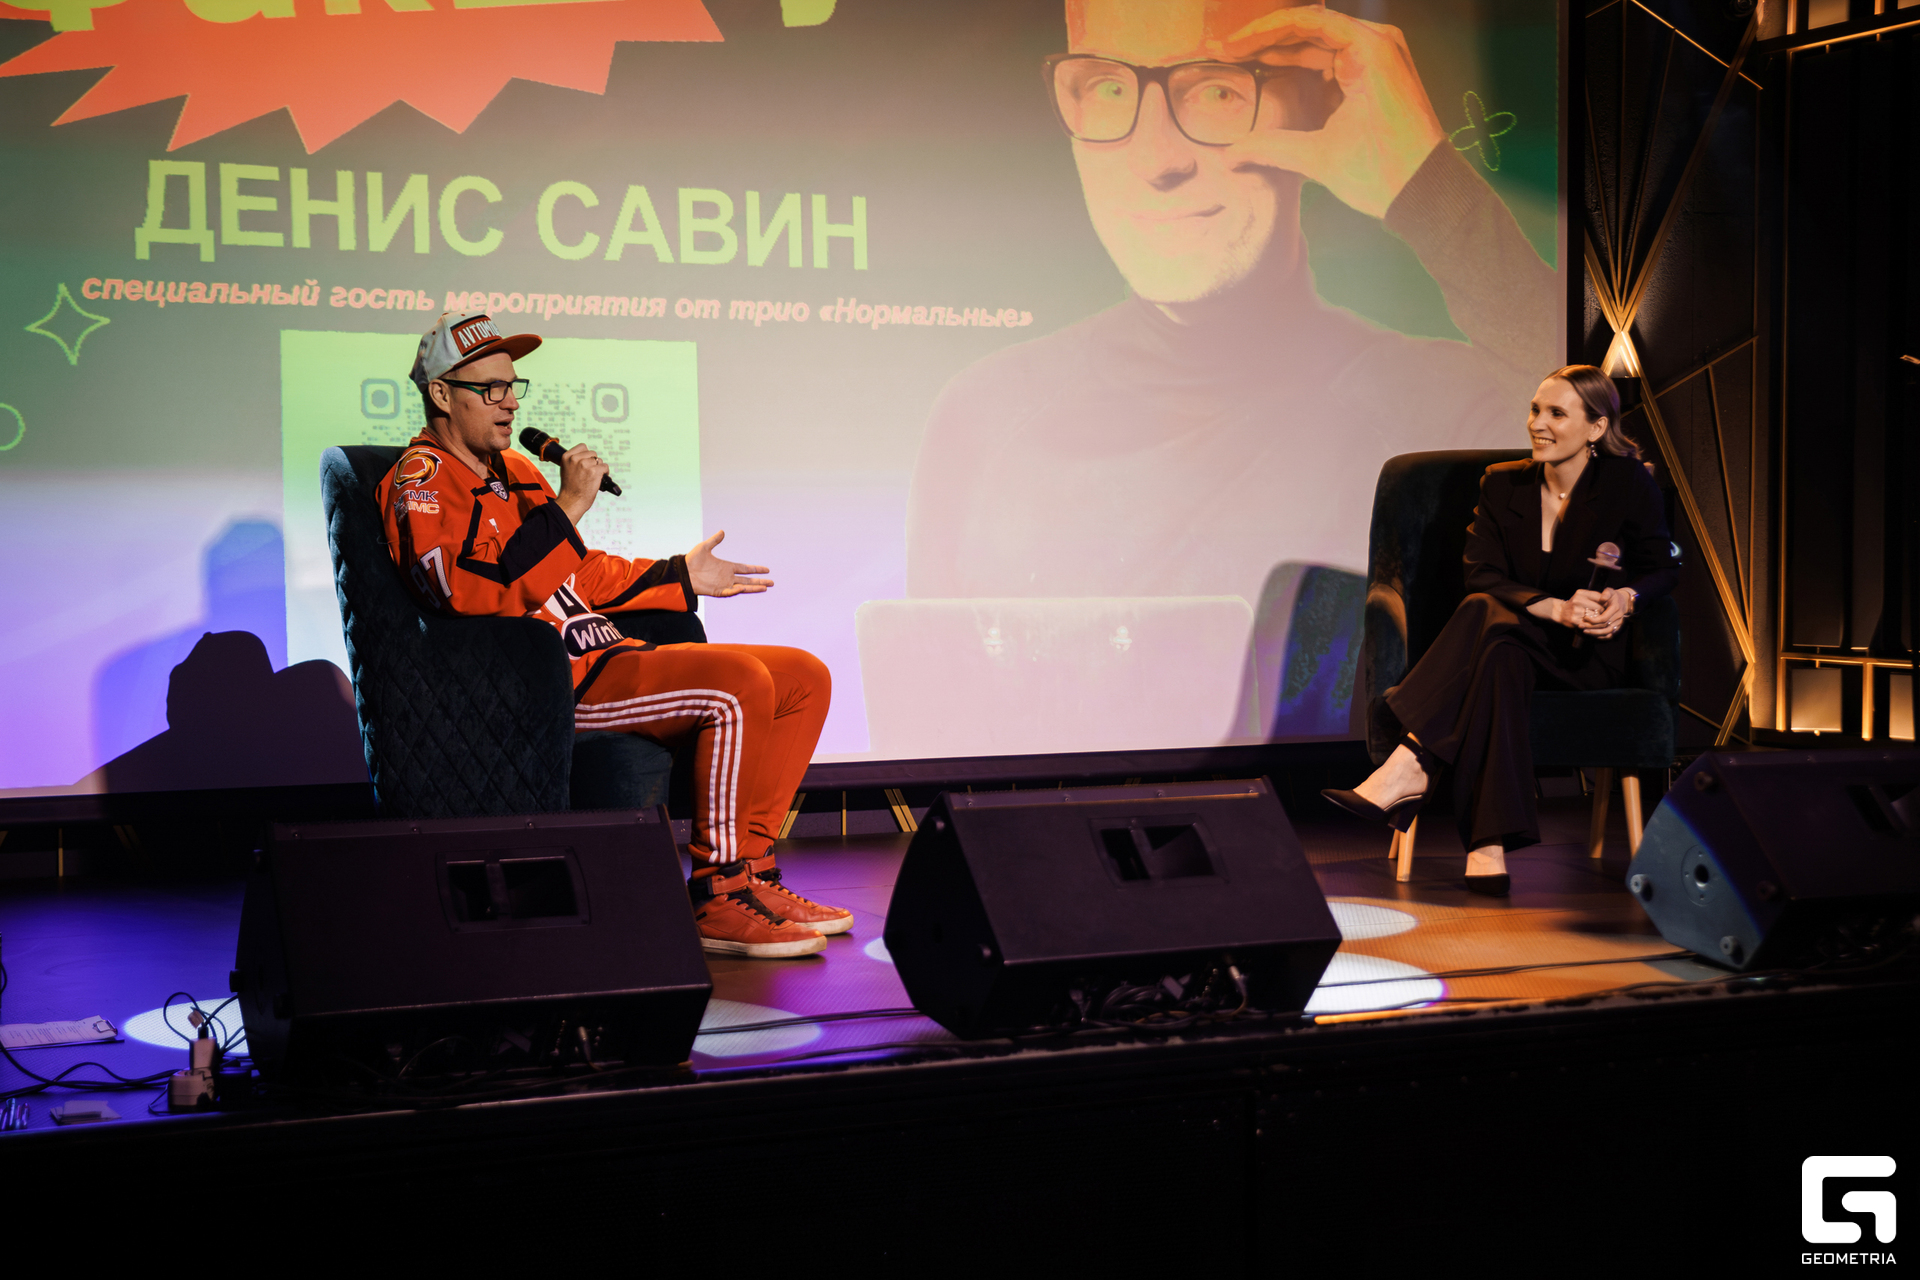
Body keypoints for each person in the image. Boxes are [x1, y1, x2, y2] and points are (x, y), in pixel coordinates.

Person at [906, 0, 1560, 701]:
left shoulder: (1440, 410)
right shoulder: (985, 416)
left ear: (1314, 108)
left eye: (1215, 90)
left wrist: (1429, 189)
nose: (1158, 160)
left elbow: (1614, 493)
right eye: (1108, 88)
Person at [378, 310, 851, 957]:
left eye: (514, 386)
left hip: (608, 654)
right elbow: (464, 593)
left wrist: (679, 574)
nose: (510, 402)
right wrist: (570, 505)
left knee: (803, 677)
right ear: (441, 394)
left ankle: (756, 876)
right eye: (491, 389)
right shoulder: (421, 482)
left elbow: (580, 571)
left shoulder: (515, 470)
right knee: (737, 684)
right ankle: (719, 895)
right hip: (549, 686)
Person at [1321, 365, 1680, 895]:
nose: (1538, 423)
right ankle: (1485, 847)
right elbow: (1481, 573)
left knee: (1484, 617)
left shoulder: (1627, 483)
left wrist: (1625, 599)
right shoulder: (1502, 482)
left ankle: (1412, 760)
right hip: (1516, 643)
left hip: (1587, 655)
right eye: (1535, 410)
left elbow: (1662, 568)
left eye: (1556, 413)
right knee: (1493, 641)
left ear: (1597, 427)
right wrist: (1553, 608)